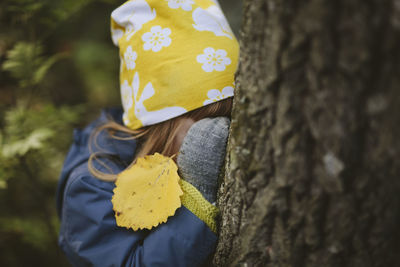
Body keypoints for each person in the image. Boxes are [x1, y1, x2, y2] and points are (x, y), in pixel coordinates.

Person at [56, 0, 239, 266]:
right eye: (207, 124)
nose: (220, 136)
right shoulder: (91, 185)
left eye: (230, 121)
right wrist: (195, 203)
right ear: (163, 123)